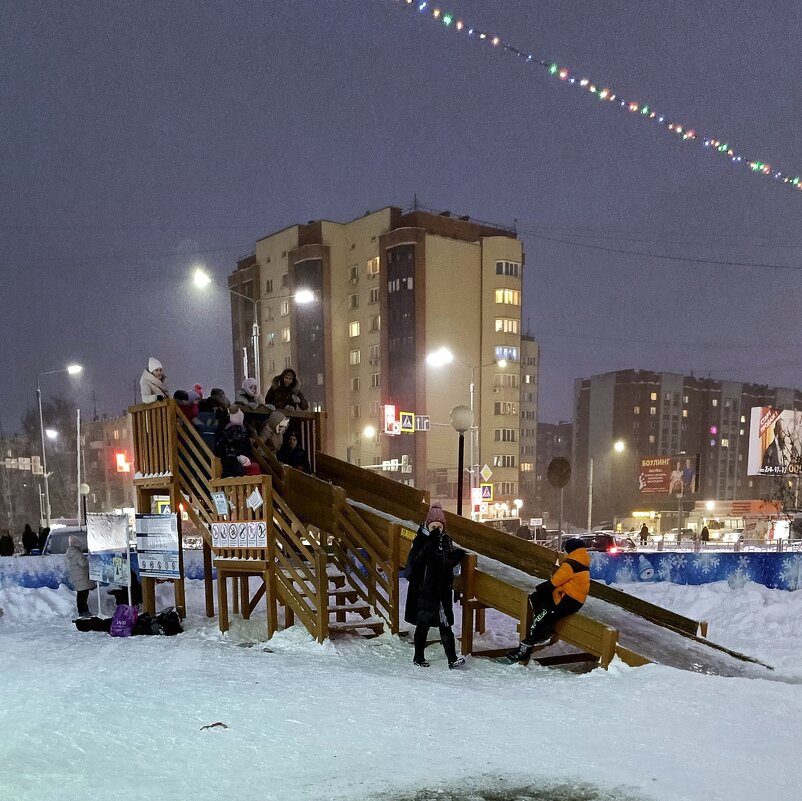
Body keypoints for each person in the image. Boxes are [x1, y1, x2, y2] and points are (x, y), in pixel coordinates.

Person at [506, 537, 590, 662]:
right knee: (537, 599)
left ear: (570, 550)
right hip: (572, 599)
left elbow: (554, 582)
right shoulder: (582, 562)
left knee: (542, 617)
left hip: (567, 601)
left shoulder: (570, 564)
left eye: (565, 549)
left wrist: (539, 588)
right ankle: (542, 626)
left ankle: (525, 649)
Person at [404, 502, 467, 669]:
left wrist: (455, 558)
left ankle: (452, 658)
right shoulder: (420, 540)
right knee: (423, 625)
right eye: (433, 526)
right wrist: (430, 543)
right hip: (424, 591)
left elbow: (444, 564)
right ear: (427, 524)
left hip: (442, 592)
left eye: (439, 526)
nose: (437, 529)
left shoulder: (445, 541)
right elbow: (417, 562)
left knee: (445, 625)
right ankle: (418, 657)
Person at [215, 409, 260, 478]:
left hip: (237, 458)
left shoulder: (243, 430)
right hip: (230, 460)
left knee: (253, 467)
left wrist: (246, 458)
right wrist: (238, 458)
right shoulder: (227, 432)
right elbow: (225, 449)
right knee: (236, 468)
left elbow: (247, 447)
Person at [65, 534, 96, 618]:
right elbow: (83, 563)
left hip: (77, 576)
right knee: (83, 595)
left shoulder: (71, 552)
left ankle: (83, 611)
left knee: (81, 594)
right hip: (81, 576)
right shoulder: (77, 553)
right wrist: (88, 560)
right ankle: (83, 611)